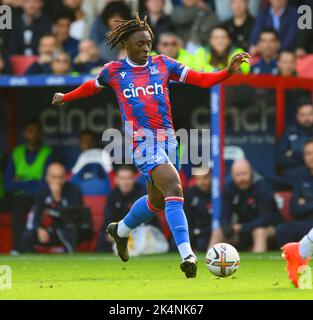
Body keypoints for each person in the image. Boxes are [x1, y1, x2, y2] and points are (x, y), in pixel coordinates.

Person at [52, 13, 250, 278]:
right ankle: (188, 255)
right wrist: (67, 96)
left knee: (157, 201)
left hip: (168, 139)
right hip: (141, 142)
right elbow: (92, 86)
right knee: (174, 186)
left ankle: (120, 230)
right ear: (126, 45)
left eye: (148, 43)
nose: (146, 48)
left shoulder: (163, 64)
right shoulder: (114, 71)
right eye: (140, 44)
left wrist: (227, 71)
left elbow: (201, 80)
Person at [4, 119, 55, 254]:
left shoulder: (47, 153)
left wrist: (20, 182)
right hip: (19, 198)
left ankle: (30, 246)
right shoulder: (16, 153)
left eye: (37, 132)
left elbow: (44, 184)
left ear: (41, 134)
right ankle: (17, 249)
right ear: (24, 133)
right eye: (30, 131)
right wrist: (34, 182)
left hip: (39, 196)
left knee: (40, 206)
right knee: (17, 206)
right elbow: (8, 185)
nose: (34, 135)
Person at [20, 162, 92, 253]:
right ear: (47, 178)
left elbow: (75, 217)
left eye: (61, 177)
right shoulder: (43, 191)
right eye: (54, 177)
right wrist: (39, 229)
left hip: (72, 230)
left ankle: (70, 260)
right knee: (27, 235)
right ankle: (30, 261)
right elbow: (37, 215)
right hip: (51, 232)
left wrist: (57, 199)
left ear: (66, 177)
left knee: (71, 231)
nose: (58, 181)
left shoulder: (74, 190)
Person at [221, 159, 278, 253]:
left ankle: (259, 264)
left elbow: (265, 219)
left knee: (259, 232)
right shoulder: (229, 187)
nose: (241, 178)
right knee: (218, 232)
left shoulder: (262, 186)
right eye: (238, 175)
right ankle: (211, 261)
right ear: (232, 175)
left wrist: (242, 227)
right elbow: (224, 214)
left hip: (269, 227)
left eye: (244, 174)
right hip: (243, 228)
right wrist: (226, 226)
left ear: (251, 172)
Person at [97, 165, 147, 251]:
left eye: (129, 178)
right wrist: (113, 233)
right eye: (122, 178)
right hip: (118, 231)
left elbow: (148, 219)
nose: (126, 182)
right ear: (116, 180)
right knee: (103, 238)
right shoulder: (112, 196)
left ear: (134, 179)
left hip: (140, 232)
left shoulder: (142, 194)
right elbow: (108, 219)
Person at [276, 141, 313, 249]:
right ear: (304, 157)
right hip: (306, 223)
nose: (311, 157)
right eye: (308, 153)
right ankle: (292, 261)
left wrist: (306, 202)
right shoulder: (300, 177)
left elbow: (301, 208)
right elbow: (295, 210)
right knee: (282, 230)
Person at [277, 100, 313, 178]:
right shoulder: (289, 133)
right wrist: (308, 160)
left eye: (310, 114)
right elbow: (280, 160)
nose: (307, 118)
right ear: (297, 117)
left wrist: (294, 154)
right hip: (295, 176)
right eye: (303, 115)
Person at [184, 167, 212, 252]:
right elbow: (187, 217)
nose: (202, 182)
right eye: (198, 179)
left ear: (211, 177)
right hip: (193, 232)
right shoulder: (189, 194)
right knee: (174, 244)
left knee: (202, 244)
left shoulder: (217, 194)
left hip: (209, 233)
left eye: (205, 178)